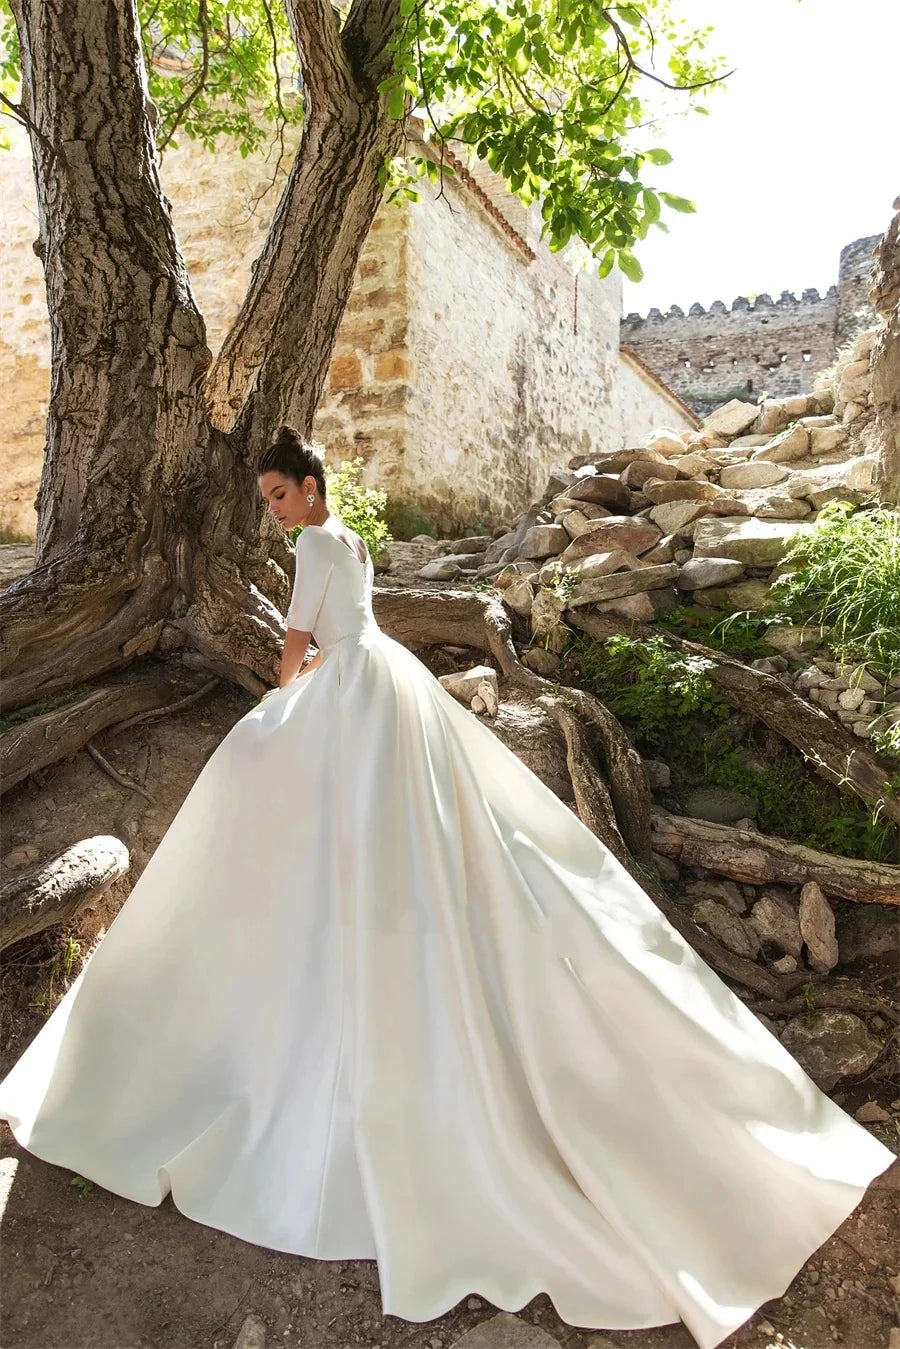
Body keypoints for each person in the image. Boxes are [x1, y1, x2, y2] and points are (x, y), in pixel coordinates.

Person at [0, 426, 894, 1349]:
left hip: (347, 689)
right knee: (415, 843)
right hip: (392, 686)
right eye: (265, 499)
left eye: (278, 494)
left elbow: (296, 648)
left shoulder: (315, 545)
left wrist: (279, 705)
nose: (273, 512)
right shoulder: (347, 540)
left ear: (310, 488)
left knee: (277, 794)